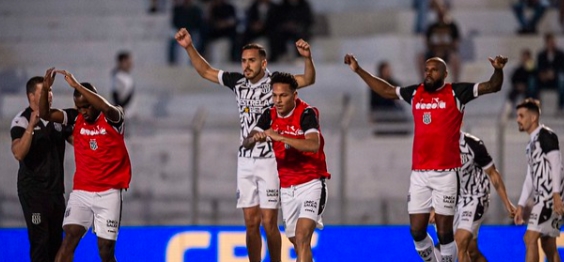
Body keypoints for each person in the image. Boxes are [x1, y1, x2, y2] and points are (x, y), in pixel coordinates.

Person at [344, 53, 507, 262]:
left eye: (433, 70)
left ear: (445, 74)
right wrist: (358, 70)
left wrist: (498, 70)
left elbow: (492, 86)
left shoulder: (456, 92)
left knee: (445, 234)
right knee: (417, 231)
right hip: (419, 174)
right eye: (426, 70)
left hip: (447, 173)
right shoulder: (415, 92)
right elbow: (385, 90)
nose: (428, 73)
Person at [175, 28, 315, 262]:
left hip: (271, 160)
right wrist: (189, 46)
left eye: (252, 61)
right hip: (246, 160)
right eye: (243, 61)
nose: (246, 65)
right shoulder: (237, 82)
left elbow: (308, 79)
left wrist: (307, 58)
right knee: (251, 222)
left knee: (269, 222)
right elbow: (206, 71)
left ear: (264, 63)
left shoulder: (277, 83)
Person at [38, 68, 132, 262]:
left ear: (95, 100)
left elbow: (106, 108)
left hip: (109, 191)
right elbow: (45, 114)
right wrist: (46, 90)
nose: (84, 112)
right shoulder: (75, 118)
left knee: (105, 250)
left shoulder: (114, 118)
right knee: (69, 238)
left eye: (87, 106)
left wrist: (77, 86)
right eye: (80, 107)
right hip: (82, 190)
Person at [243, 72, 330, 262]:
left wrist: (280, 137)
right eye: (274, 96)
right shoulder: (269, 114)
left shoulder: (306, 113)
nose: (278, 100)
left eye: (283, 96)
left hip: (311, 183)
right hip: (287, 188)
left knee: (302, 238)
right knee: (297, 243)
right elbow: (246, 142)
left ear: (295, 96)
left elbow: (313, 144)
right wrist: (254, 137)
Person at [10, 75, 72, 262]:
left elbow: (77, 141)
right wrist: (31, 125)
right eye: (44, 91)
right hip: (34, 194)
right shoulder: (21, 120)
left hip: (55, 192)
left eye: (50, 90)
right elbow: (18, 153)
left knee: (56, 243)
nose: (50, 94)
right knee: (40, 240)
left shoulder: (58, 119)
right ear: (31, 96)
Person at [514, 98, 563, 262]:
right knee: (549, 245)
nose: (518, 120)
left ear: (533, 117)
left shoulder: (546, 136)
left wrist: (556, 195)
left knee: (529, 238)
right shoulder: (532, 143)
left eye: (521, 116)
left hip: (549, 199)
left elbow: (556, 164)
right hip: (547, 199)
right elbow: (530, 176)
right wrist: (521, 204)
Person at [454, 131, 516, 262]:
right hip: (455, 201)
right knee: (472, 251)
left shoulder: (473, 145)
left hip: (476, 197)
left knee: (459, 242)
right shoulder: (438, 146)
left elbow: (493, 174)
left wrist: (507, 203)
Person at [419, 4, 461, 82]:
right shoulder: (432, 27)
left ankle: (456, 81)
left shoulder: (452, 26)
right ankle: (423, 80)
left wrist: (446, 50)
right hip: (434, 52)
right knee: (420, 57)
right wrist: (435, 50)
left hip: (447, 52)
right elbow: (427, 42)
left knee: (455, 59)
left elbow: (456, 43)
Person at [168, 0, 204, 65]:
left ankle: (195, 62)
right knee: (172, 42)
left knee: (199, 40)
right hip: (180, 32)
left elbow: (198, 23)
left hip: (191, 33)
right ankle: (171, 62)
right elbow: (175, 22)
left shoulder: (195, 10)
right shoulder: (178, 9)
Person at [536, 33, 564, 113]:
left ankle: (561, 105)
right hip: (544, 79)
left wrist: (554, 74)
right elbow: (539, 68)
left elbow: (562, 67)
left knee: (562, 79)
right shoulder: (541, 55)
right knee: (533, 81)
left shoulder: (560, 54)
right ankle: (536, 104)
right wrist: (544, 74)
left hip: (556, 79)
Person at [111, 51, 135, 118]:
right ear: (123, 62)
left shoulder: (126, 76)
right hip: (122, 114)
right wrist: (120, 109)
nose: (130, 64)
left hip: (128, 114)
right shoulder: (118, 76)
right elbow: (115, 94)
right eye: (128, 62)